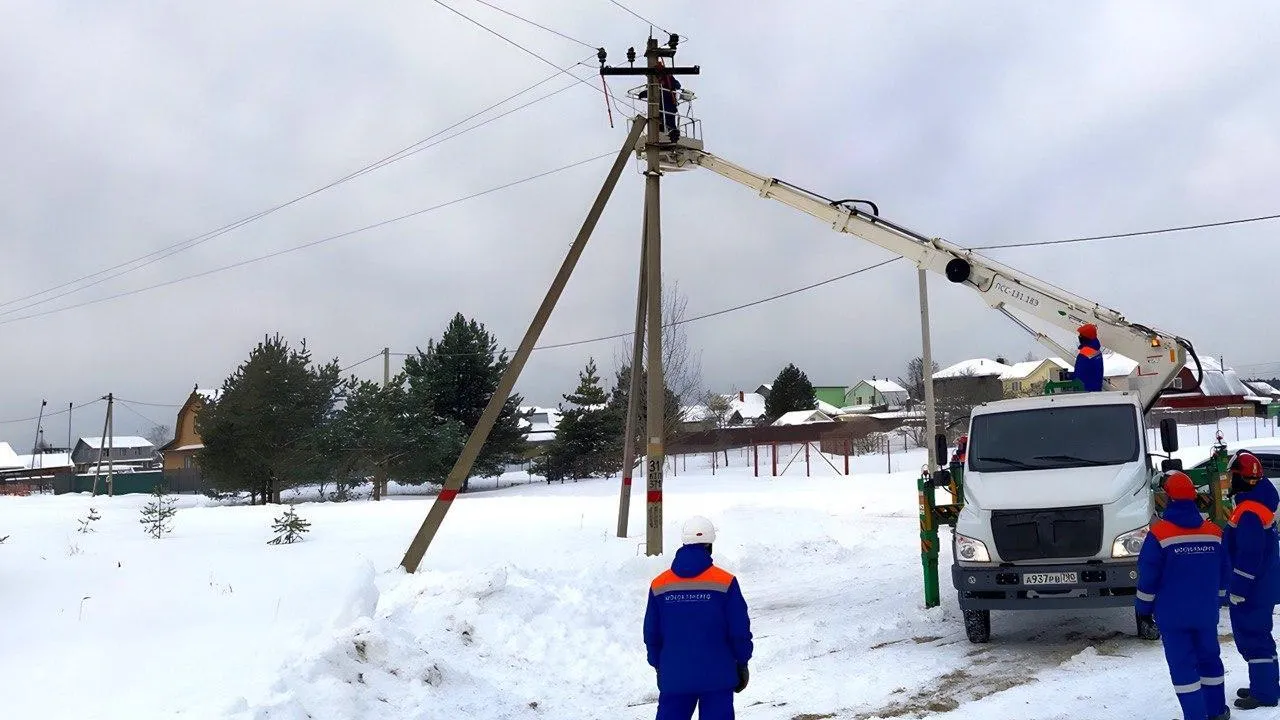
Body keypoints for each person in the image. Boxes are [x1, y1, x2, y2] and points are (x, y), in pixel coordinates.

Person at [1137, 470, 1233, 720]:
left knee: (1183, 667)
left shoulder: (1159, 536)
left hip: (1173, 617)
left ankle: (1195, 716)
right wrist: (1219, 599)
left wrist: (1143, 610)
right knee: (1210, 661)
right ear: (1194, 498)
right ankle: (1217, 712)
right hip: (1205, 614)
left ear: (1167, 499)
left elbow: (1148, 579)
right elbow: (1225, 572)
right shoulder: (1214, 533)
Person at [644, 516, 753, 720]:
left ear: (684, 543)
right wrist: (742, 662)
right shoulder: (725, 582)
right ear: (709, 545)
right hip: (718, 677)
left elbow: (652, 632)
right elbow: (739, 630)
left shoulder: (660, 585)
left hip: (675, 677)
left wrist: (659, 664)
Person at [1224, 450, 1280, 710]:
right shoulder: (1259, 505)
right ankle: (1265, 683)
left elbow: (1249, 554)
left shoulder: (1249, 513)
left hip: (1253, 590)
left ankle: (1265, 693)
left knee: (1253, 637)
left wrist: (1238, 587)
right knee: (1260, 635)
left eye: (1232, 476)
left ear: (1240, 479)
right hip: (1264, 586)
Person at [1073, 323, 1104, 392]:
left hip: (1085, 391)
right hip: (1095, 389)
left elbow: (1079, 373)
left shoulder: (1085, 352)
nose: (1079, 336)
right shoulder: (1096, 351)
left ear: (1086, 337)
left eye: (1081, 335)